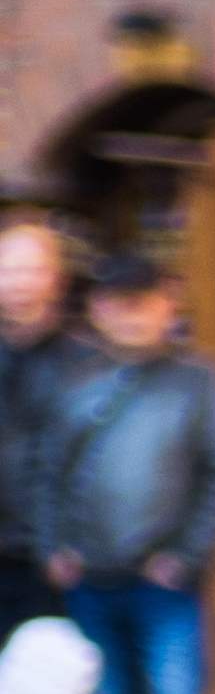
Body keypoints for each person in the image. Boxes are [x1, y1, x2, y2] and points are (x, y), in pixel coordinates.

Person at [30, 249, 215, 694]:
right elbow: (47, 471)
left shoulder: (197, 381)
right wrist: (54, 544)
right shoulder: (77, 382)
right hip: (93, 577)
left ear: (166, 304)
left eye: (143, 302)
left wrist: (187, 553)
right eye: (118, 303)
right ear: (98, 309)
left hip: (165, 582)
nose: (131, 315)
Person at [0, 215, 74, 638]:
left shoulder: (84, 363)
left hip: (55, 559)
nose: (19, 282)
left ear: (56, 278)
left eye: (31, 269)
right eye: (10, 269)